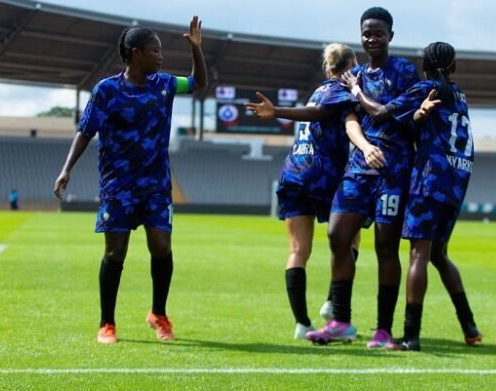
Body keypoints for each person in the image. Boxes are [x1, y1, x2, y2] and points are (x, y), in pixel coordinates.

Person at [53, 17, 207, 344]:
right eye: (155, 51)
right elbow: (85, 131)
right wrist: (66, 169)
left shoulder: (164, 84)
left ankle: (158, 314)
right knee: (115, 253)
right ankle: (107, 323)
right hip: (118, 185)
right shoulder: (106, 91)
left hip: (156, 184)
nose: (161, 56)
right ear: (137, 54)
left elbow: (197, 83)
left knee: (161, 246)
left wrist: (196, 50)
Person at [348, 42, 482, 351]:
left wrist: (356, 89)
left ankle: (411, 335)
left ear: (425, 65)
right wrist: (419, 116)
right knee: (438, 254)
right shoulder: (457, 94)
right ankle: (470, 326)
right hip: (458, 180)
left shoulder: (427, 87)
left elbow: (381, 113)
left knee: (418, 254)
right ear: (453, 66)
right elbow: (429, 123)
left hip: (429, 180)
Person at [307, 7, 420, 347]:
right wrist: (365, 145)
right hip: (359, 167)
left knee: (386, 247)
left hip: (394, 169)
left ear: (390, 36)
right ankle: (341, 321)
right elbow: (348, 118)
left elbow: (389, 112)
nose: (372, 38)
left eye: (379, 33)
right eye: (367, 33)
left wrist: (357, 92)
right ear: (360, 36)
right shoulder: (353, 74)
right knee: (337, 234)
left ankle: (383, 330)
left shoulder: (402, 70)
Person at [245, 43, 362, 339]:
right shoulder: (340, 90)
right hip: (322, 173)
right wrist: (277, 112)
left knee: (298, 250)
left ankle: (302, 323)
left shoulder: (319, 89)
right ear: (349, 65)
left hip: (293, 171)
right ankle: (333, 304)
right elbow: (317, 114)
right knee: (351, 236)